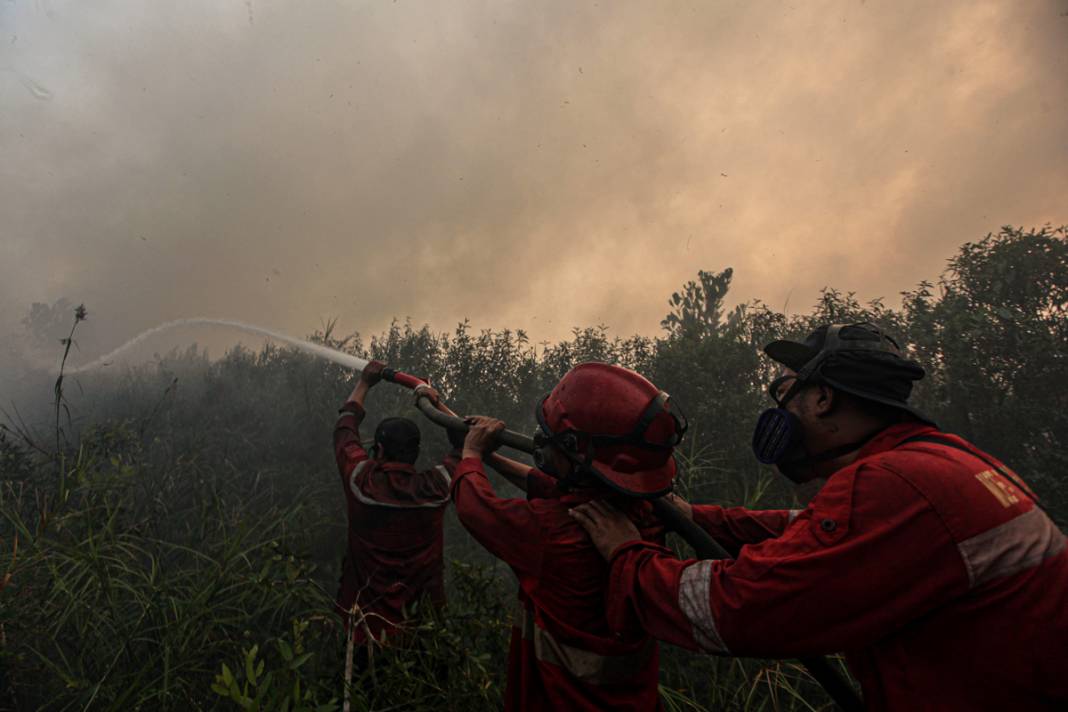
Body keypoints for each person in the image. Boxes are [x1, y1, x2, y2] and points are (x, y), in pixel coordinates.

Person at [571, 323, 1068, 711]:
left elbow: (739, 609)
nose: (780, 410)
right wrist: (695, 516)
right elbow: (805, 529)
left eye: (786, 393)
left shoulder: (892, 484)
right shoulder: (945, 459)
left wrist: (626, 553)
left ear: (824, 398)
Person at [450, 363, 687, 711]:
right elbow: (558, 489)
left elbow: (477, 508)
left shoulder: (553, 531)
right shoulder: (645, 512)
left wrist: (471, 455)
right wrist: (492, 458)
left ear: (578, 451)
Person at [332, 361, 455, 645]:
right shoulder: (436, 489)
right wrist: (435, 401)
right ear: (416, 452)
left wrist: (364, 383)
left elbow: (345, 429)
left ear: (379, 449)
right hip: (424, 635)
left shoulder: (361, 482)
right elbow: (467, 439)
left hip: (363, 632)